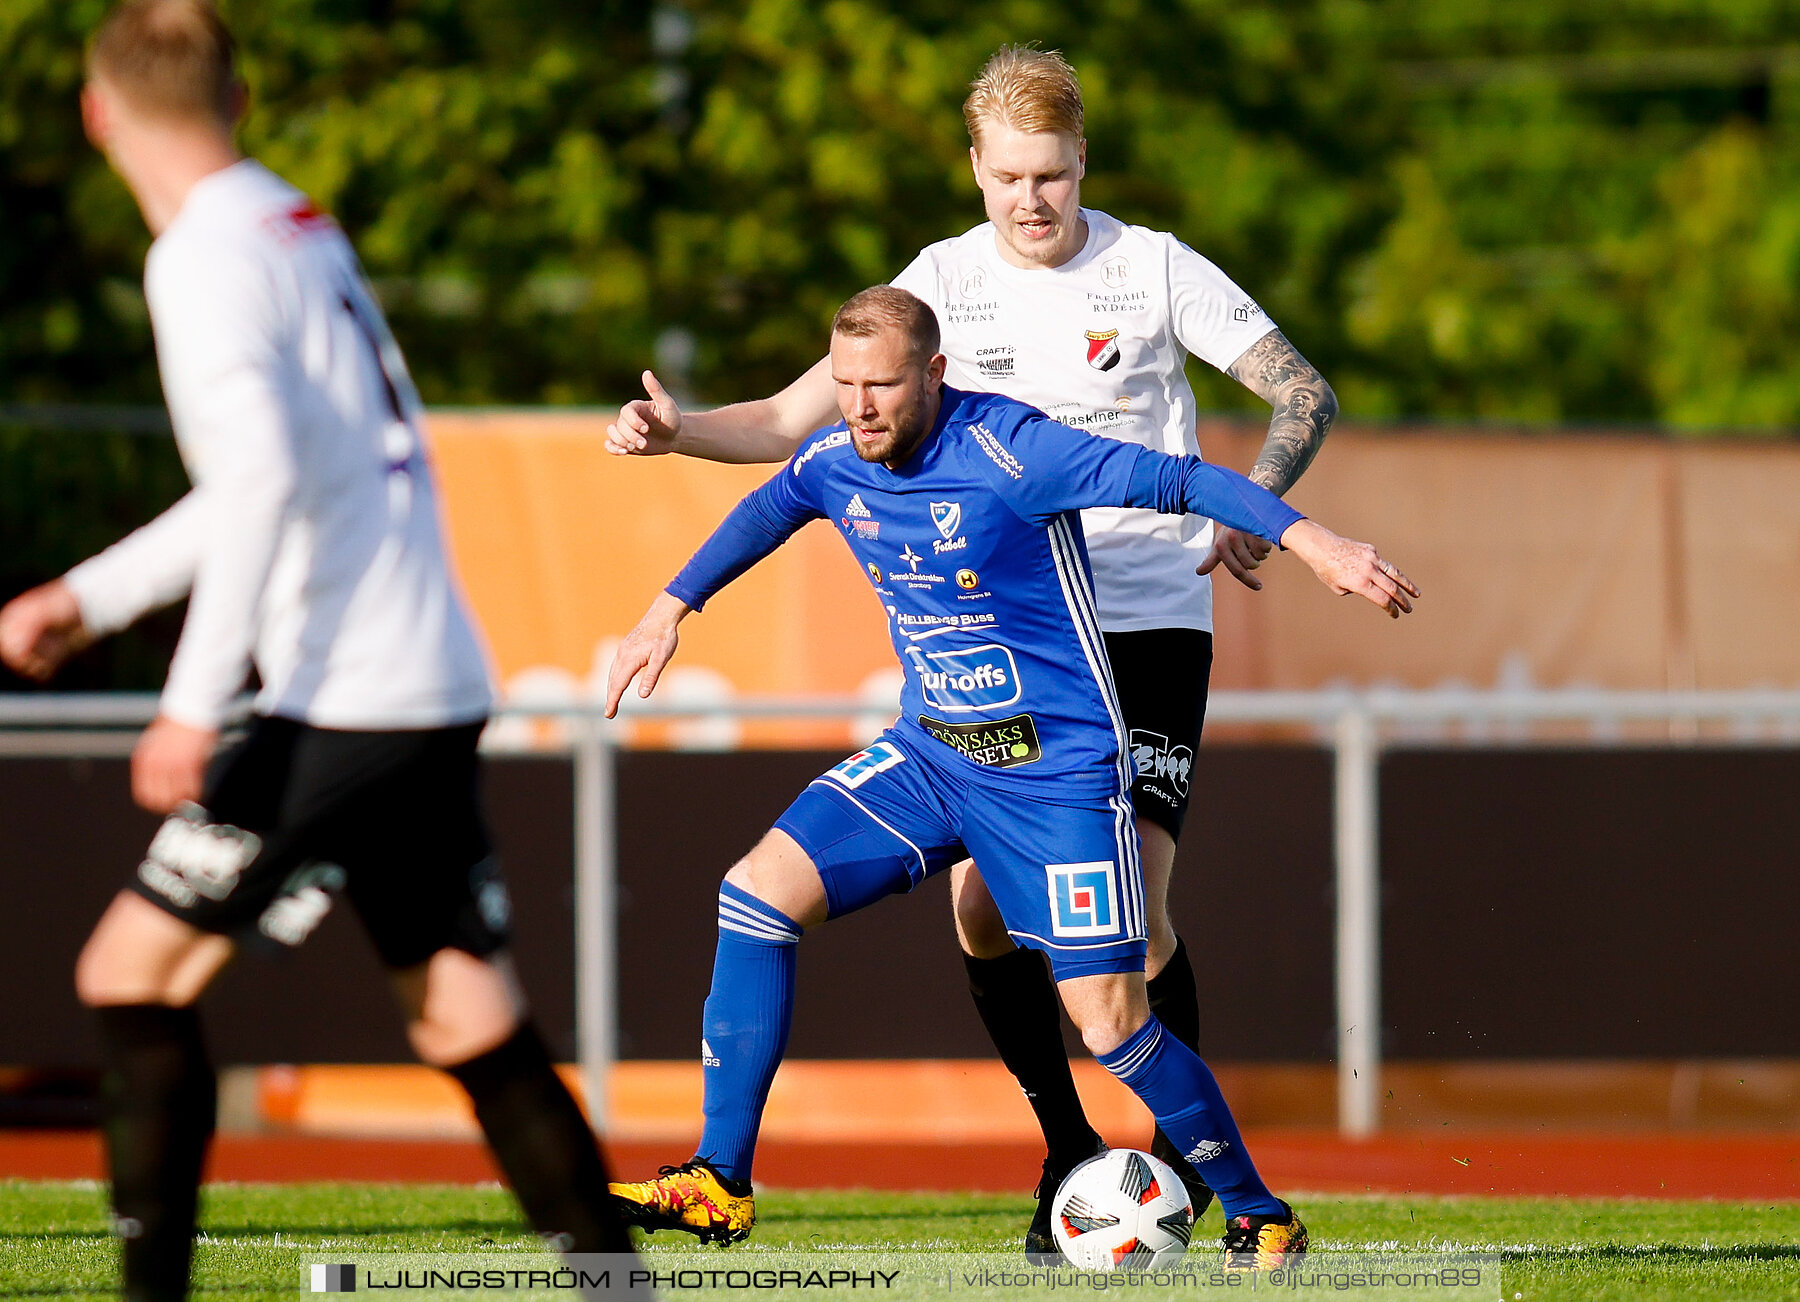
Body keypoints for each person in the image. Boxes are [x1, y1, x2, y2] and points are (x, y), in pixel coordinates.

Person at [605, 46, 1342, 1254]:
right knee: (979, 912)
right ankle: (1066, 1149)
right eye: (1008, 178)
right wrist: (683, 432)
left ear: (1082, 161)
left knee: (1137, 916)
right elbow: (800, 427)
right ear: (977, 170)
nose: (1032, 202)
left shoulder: (1151, 267)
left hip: (1143, 618)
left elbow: (1298, 391)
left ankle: (1183, 1176)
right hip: (998, 635)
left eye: (1051, 175)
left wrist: (1254, 505)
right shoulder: (941, 282)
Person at [0, 4, 633, 1296]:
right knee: (465, 1012)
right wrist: (91, 592)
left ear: (94, 113)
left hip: (344, 696)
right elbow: (272, 474)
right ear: (238, 103)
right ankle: (620, 1285)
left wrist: (186, 703)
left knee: (127, 970)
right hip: (428, 676)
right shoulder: (292, 219)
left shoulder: (199, 258)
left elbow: (262, 478)